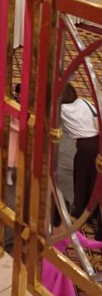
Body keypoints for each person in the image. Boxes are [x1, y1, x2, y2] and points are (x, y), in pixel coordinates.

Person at [61, 84, 101, 239]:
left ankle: (81, 211)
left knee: (81, 179)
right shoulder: (83, 101)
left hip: (85, 147)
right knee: (94, 180)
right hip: (98, 141)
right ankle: (93, 213)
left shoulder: (62, 109)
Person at [41, 200, 102, 296]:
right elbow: (89, 244)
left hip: (42, 258)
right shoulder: (69, 232)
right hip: (56, 263)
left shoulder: (42, 226)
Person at [7, 82, 21, 186]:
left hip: (23, 135)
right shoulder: (12, 104)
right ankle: (8, 174)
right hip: (13, 135)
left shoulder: (28, 105)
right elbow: (8, 121)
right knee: (11, 156)